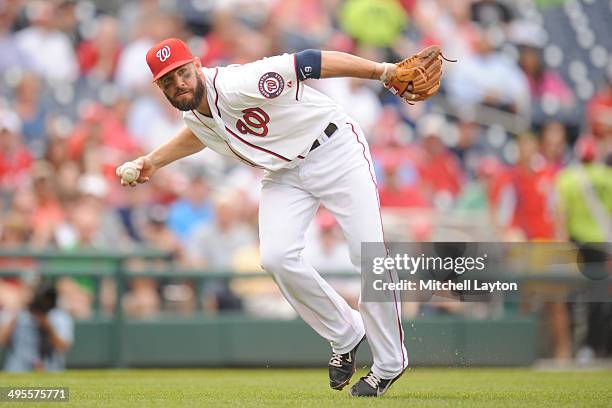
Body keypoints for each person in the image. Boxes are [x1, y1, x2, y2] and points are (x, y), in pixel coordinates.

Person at [115, 38, 439, 397]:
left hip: (333, 149)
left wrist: (384, 71)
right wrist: (154, 161)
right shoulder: (194, 109)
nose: (178, 83)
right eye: (168, 80)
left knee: (368, 255)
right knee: (275, 257)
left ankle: (390, 363)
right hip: (284, 173)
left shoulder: (239, 83)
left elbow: (309, 61)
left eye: (182, 72)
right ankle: (347, 331)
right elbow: (201, 132)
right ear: (158, 87)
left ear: (196, 63)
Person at [0, 284, 74, 372]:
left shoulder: (59, 316)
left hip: (50, 370)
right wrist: (17, 312)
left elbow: (63, 346)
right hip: (18, 369)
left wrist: (48, 327)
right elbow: (2, 340)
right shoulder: (16, 313)